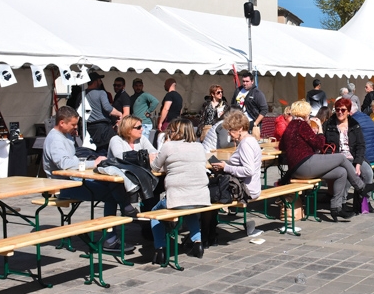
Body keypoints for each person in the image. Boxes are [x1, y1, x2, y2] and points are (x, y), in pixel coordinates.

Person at [43, 106, 135, 253]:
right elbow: (64, 164)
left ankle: (124, 211)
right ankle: (112, 237)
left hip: (72, 180)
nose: (75, 127)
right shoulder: (55, 139)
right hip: (63, 186)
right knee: (111, 194)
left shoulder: (65, 135)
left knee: (110, 185)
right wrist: (93, 163)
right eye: (73, 124)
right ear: (61, 122)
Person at [279, 100, 367, 221]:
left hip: (297, 168)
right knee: (341, 157)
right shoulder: (302, 125)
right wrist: (320, 128)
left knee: (341, 172)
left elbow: (281, 146)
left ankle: (336, 208)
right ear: (305, 114)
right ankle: (361, 187)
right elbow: (319, 144)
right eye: (309, 113)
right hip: (305, 165)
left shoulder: (290, 126)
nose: (309, 115)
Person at [149, 118, 210, 262]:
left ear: (175, 131)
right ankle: (197, 242)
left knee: (154, 214)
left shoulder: (168, 146)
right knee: (189, 211)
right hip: (201, 198)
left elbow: (155, 168)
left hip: (177, 197)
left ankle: (160, 249)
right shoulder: (199, 146)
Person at [324, 98, 374, 208]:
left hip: (353, 155)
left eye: (343, 110)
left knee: (368, 173)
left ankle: (364, 201)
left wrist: (358, 163)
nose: (339, 112)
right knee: (348, 173)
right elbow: (324, 145)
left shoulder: (354, 125)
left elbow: (360, 145)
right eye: (337, 109)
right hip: (337, 158)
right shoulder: (328, 125)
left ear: (348, 112)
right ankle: (342, 204)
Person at [210, 111, 262, 201]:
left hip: (245, 190)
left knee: (205, 193)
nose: (228, 133)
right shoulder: (251, 140)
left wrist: (226, 167)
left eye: (230, 130)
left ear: (240, 129)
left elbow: (249, 170)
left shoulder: (245, 144)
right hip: (249, 187)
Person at [85, 71, 121, 154]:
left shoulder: (82, 94)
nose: (101, 82)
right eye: (99, 80)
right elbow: (108, 108)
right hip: (102, 128)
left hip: (89, 127)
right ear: (95, 81)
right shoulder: (101, 93)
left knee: (92, 152)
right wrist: (119, 114)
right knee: (105, 152)